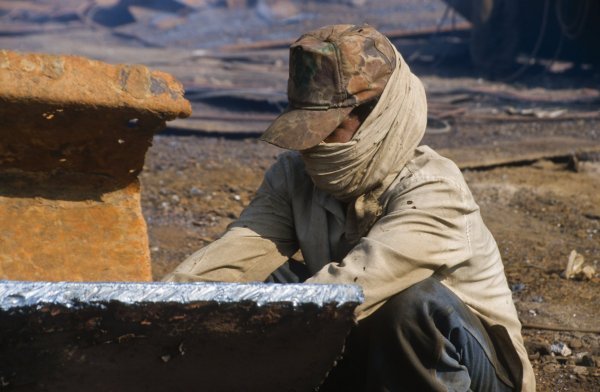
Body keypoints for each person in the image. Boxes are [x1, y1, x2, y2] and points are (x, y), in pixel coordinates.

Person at [163, 24, 535, 391]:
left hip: (475, 372)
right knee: (258, 279)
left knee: (411, 304)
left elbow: (349, 289)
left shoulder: (434, 191)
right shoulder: (295, 176)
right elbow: (238, 254)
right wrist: (159, 309)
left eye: (327, 129)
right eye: (306, 130)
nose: (313, 145)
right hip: (369, 352)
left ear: (376, 118)